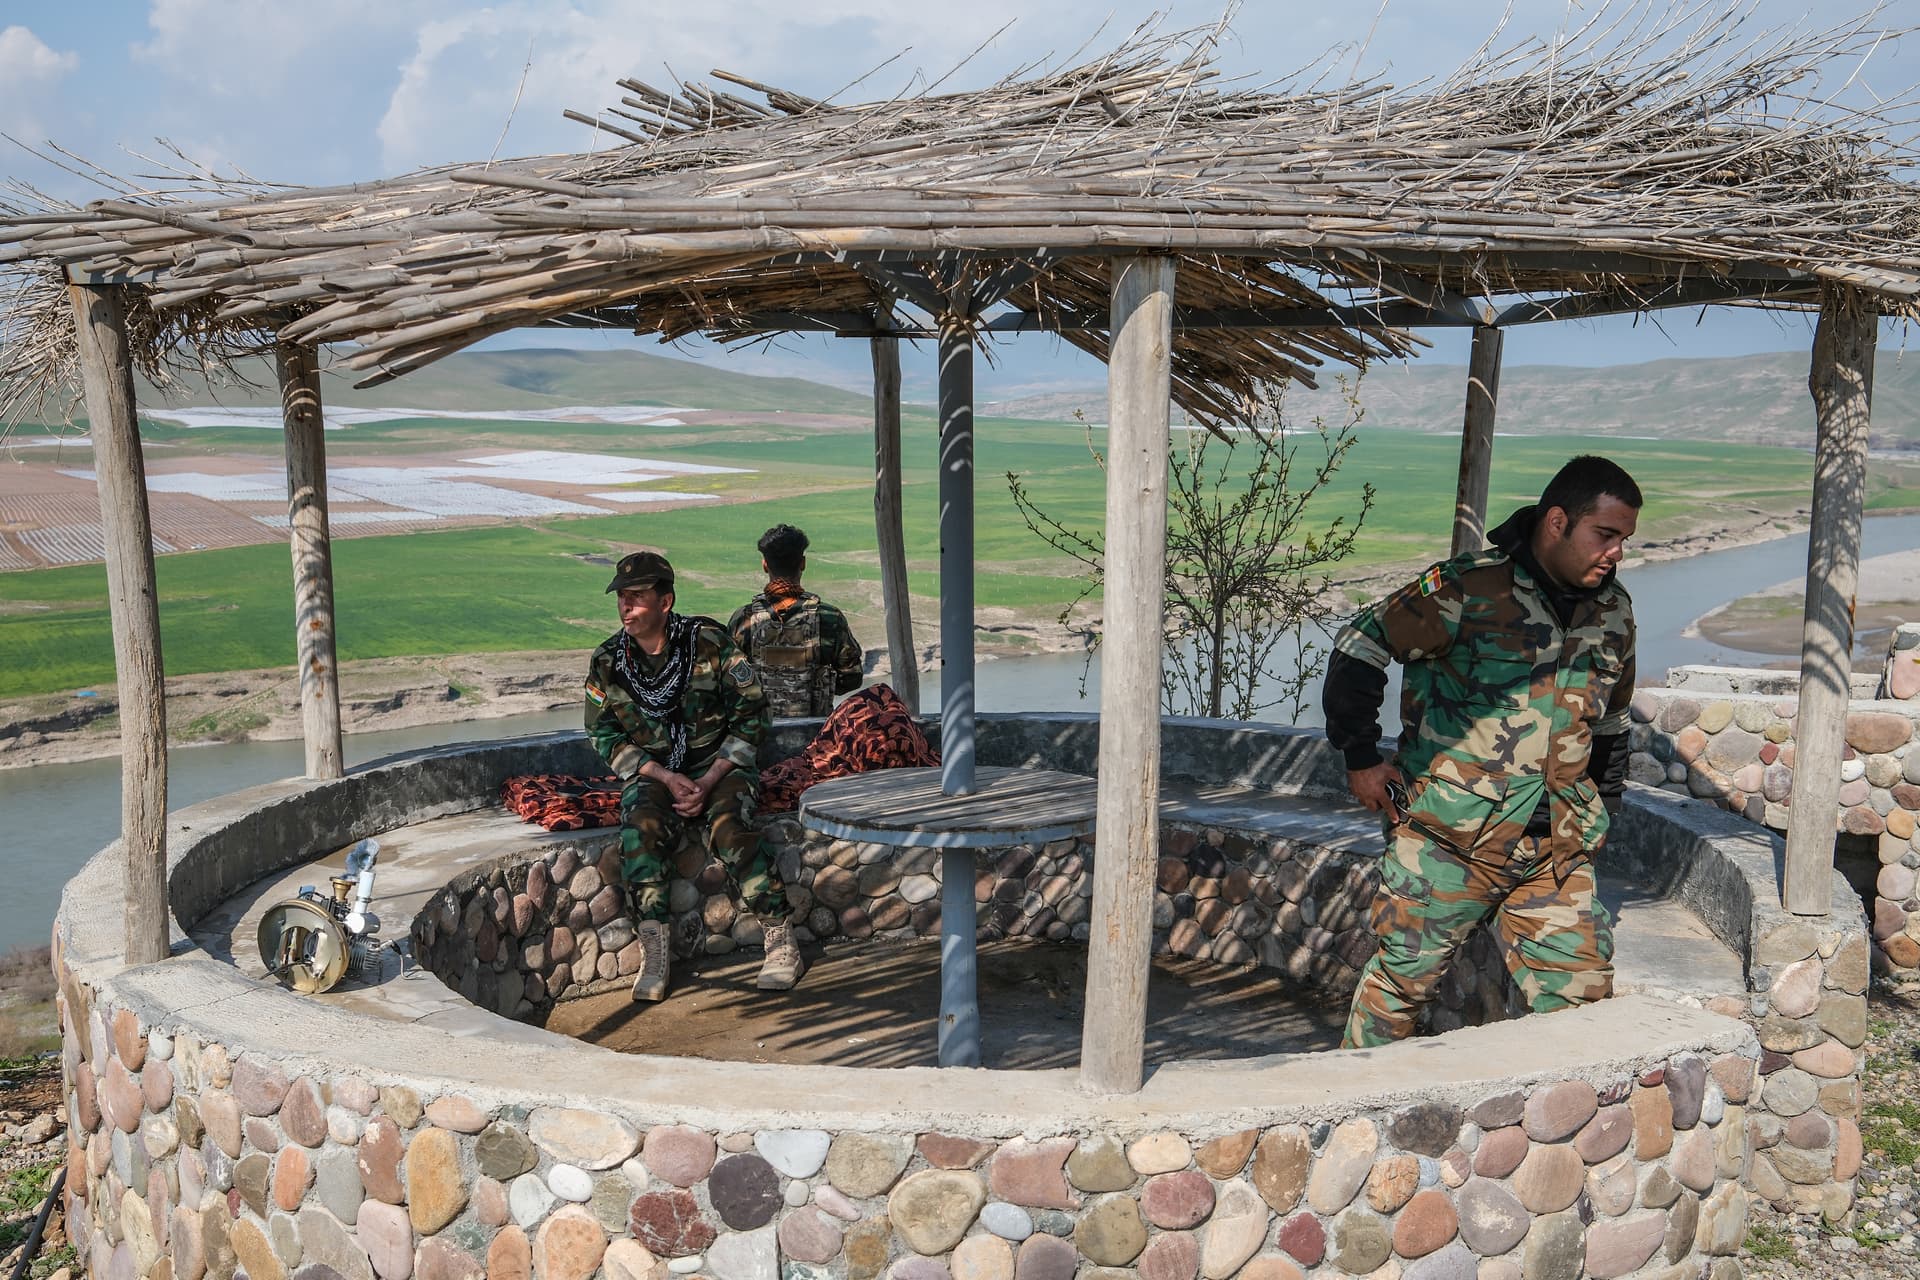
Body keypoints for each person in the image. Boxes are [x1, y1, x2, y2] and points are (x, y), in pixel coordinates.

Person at [1322, 455, 1640, 1048]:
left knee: (1584, 1012)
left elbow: (1612, 721)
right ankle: (1351, 1120)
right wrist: (1361, 758)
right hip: (1448, 842)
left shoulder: (1615, 611)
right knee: (1398, 993)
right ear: (1557, 522)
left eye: (1624, 539)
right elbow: (1359, 644)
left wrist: (1605, 806)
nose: (1616, 552)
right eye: (1606, 534)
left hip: (1553, 853)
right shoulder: (1467, 588)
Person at [584, 550, 804, 1001]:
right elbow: (602, 732)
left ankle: (781, 938)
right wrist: (663, 777)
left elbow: (754, 717)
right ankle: (655, 950)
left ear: (666, 602)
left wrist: (708, 780)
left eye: (638, 597)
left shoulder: (708, 643)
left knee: (729, 828)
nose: (627, 607)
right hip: (656, 771)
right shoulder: (608, 661)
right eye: (622, 598)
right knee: (640, 829)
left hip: (718, 763)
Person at [728, 524, 864, 718]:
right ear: (803, 563)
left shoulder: (743, 620)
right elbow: (852, 677)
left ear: (765, 564)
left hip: (760, 736)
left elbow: (727, 680)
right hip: (814, 737)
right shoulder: (829, 619)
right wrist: (816, 685)